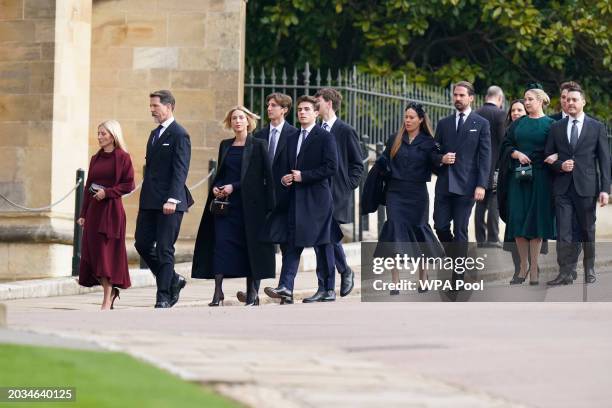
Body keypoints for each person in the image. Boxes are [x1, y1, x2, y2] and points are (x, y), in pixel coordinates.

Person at [192, 106, 276, 306]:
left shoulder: (259, 144)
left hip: (250, 207)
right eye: (234, 118)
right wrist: (217, 188)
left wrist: (234, 187)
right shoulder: (225, 145)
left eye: (241, 118)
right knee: (220, 245)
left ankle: (252, 293)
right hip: (226, 207)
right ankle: (217, 292)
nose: (237, 121)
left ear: (248, 122)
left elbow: (264, 178)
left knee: (250, 248)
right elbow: (221, 173)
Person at [264, 95, 338, 303]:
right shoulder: (292, 138)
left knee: (322, 244)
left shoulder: (325, 137)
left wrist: (303, 176)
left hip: (318, 200)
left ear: (316, 113)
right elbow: (288, 166)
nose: (302, 113)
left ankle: (327, 289)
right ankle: (286, 287)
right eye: (300, 110)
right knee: (292, 242)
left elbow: (332, 167)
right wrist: (287, 177)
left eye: (307, 109)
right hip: (295, 199)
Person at [376, 103, 445, 293]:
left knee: (419, 232)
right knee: (395, 232)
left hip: (417, 194)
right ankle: (395, 281)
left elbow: (436, 165)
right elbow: (383, 161)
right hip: (395, 193)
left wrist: (442, 159)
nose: (407, 120)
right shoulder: (394, 139)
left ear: (421, 120)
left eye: (412, 117)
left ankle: (423, 278)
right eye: (406, 117)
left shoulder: (429, 142)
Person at [545, 87, 610, 285]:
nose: (570, 103)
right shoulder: (556, 127)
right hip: (563, 188)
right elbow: (547, 156)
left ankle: (589, 267)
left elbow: (605, 159)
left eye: (575, 99)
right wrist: (560, 165)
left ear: (583, 102)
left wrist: (605, 189)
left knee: (586, 230)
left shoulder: (596, 127)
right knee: (564, 231)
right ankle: (565, 272)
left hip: (587, 187)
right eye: (568, 100)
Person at [134, 90, 193, 309]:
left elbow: (180, 170)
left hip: (170, 202)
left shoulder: (180, 134)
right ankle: (173, 279)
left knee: (164, 249)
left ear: (169, 107)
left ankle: (164, 296)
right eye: (151, 106)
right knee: (142, 243)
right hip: (149, 201)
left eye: (155, 106)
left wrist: (172, 199)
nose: (152, 110)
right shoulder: (153, 134)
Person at [240, 93, 297, 304]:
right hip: (261, 200)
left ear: (284, 110)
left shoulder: (294, 134)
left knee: (286, 245)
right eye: (268, 105)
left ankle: (285, 290)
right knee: (258, 244)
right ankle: (253, 292)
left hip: (285, 198)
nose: (269, 108)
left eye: (274, 105)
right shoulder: (259, 135)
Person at [433, 81, 491, 283]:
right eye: (455, 95)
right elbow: (434, 152)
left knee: (460, 230)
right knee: (439, 226)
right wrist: (441, 158)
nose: (457, 98)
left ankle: (457, 276)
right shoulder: (443, 123)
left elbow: (485, 157)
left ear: (471, 98)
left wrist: (482, 185)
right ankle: (457, 261)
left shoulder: (481, 123)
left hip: (468, 186)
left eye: (461, 95)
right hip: (444, 184)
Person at [500, 84, 556, 285]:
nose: (526, 102)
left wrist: (557, 155)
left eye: (530, 99)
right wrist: (515, 153)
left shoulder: (551, 124)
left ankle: (534, 269)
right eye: (525, 99)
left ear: (540, 101)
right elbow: (505, 145)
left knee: (536, 222)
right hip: (519, 177)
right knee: (518, 219)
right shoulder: (517, 124)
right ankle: (522, 267)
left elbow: (559, 147)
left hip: (541, 178)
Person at [77, 120, 135, 310]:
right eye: (98, 133)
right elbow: (87, 188)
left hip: (112, 213)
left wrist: (107, 193)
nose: (99, 137)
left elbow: (129, 185)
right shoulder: (95, 158)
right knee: (95, 255)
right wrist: (83, 213)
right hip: (94, 212)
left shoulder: (123, 157)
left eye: (103, 133)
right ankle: (111, 293)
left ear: (113, 135)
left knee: (105, 256)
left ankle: (106, 299)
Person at [314, 88, 364, 297]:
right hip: (316, 192)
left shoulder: (345, 130)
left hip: (336, 193)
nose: (315, 107)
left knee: (327, 236)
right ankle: (340, 274)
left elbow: (357, 165)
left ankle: (335, 278)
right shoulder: (315, 130)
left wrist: (346, 186)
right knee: (321, 238)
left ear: (329, 104)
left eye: (318, 102)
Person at [474, 85, 506, 248]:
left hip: (478, 166)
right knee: (494, 200)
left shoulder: (475, 114)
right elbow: (503, 141)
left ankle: (480, 239)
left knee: (479, 202)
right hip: (495, 166)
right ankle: (493, 237)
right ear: (499, 99)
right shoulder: (500, 114)